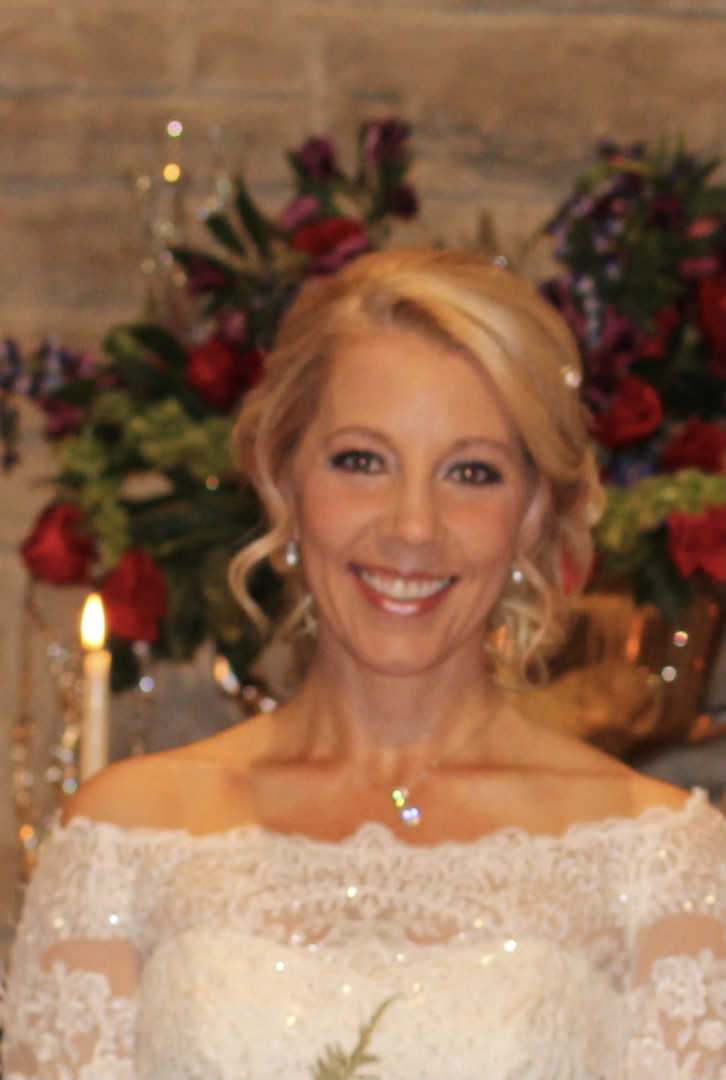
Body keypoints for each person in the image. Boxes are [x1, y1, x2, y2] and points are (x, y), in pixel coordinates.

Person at [2, 249, 724, 1080]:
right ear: (284, 483)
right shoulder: (126, 836)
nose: (413, 525)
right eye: (361, 461)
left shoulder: (660, 857)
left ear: (531, 513)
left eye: (471, 473)